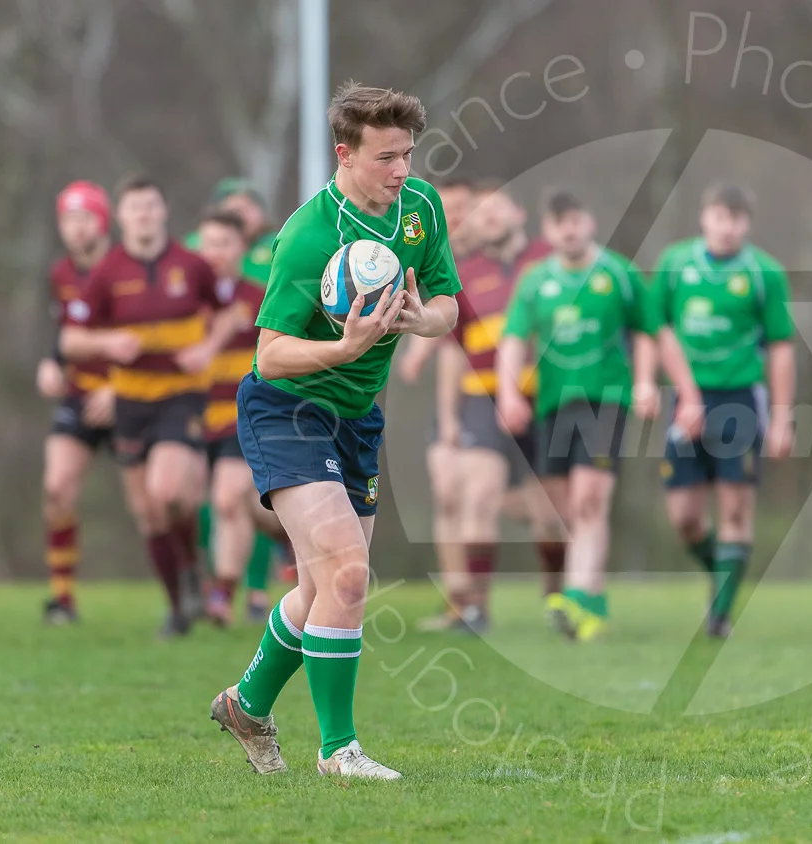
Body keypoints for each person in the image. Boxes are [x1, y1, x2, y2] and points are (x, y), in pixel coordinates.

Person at [208, 83, 460, 780]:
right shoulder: (309, 235)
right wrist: (343, 350)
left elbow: (447, 306)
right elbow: (270, 354)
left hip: (357, 416)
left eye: (408, 153)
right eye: (386, 157)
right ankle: (339, 751)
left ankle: (247, 704)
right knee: (348, 571)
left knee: (329, 587)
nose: (402, 170)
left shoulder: (421, 209)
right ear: (345, 155)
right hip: (286, 407)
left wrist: (419, 319)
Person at [496, 189, 703, 643]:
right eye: (559, 222)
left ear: (590, 222)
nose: (569, 229)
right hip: (552, 404)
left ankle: (577, 599)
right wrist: (508, 393)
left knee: (590, 500)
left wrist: (652, 383)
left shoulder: (618, 274)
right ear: (548, 231)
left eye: (576, 219)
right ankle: (593, 593)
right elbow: (513, 339)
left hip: (606, 399)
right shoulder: (535, 282)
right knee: (563, 509)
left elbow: (651, 331)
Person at [62, 175, 247, 637]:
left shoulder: (193, 265)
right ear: (121, 218)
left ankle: (191, 569)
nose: (143, 215)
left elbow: (229, 312)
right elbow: (71, 339)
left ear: (164, 212)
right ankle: (179, 600)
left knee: (167, 492)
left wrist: (209, 348)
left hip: (181, 396)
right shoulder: (107, 273)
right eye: (134, 208)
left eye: (151, 206)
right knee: (150, 513)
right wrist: (107, 341)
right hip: (130, 401)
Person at [652, 183, 795, 638]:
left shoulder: (764, 273)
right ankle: (724, 577)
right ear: (704, 218)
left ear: (746, 224)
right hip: (687, 399)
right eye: (719, 216)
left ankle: (720, 614)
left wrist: (783, 417)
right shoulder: (675, 265)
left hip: (740, 400)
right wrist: (687, 394)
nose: (727, 226)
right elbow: (660, 330)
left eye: (736, 218)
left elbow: (780, 348)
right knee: (685, 518)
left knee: (735, 510)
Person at [426, 182, 558, 632]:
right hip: (481, 398)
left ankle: (558, 594)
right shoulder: (461, 275)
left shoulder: (549, 260)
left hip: (547, 399)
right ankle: (476, 608)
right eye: (480, 212)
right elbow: (450, 351)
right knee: (477, 494)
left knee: (552, 513)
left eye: (497, 207)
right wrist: (448, 417)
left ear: (519, 212)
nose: (489, 216)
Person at [396, 176, 483, 632]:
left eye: (465, 208)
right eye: (448, 210)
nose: (458, 219)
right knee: (449, 492)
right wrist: (419, 350)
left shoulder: (491, 264)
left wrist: (422, 349)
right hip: (460, 401)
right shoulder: (436, 261)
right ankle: (461, 600)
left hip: (509, 398)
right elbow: (448, 333)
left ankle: (561, 591)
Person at [194, 209, 285, 627]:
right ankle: (293, 533)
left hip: (242, 414)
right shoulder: (188, 300)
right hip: (195, 418)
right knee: (241, 507)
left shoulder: (259, 296)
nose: (215, 253)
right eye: (208, 244)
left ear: (241, 249)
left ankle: (222, 594)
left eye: (225, 244)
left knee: (227, 498)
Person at [39, 181, 115, 624]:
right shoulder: (61, 274)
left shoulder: (126, 269)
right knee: (56, 488)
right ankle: (62, 598)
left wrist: (118, 389)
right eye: (68, 219)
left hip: (133, 398)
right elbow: (65, 333)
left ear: (102, 222)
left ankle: (187, 594)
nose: (75, 227)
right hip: (80, 396)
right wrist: (51, 363)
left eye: (84, 217)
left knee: (158, 507)